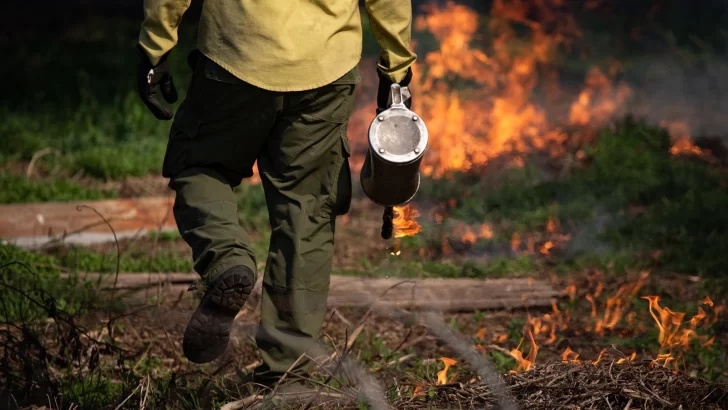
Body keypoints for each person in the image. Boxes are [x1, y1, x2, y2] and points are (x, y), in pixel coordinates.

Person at [136, 0, 417, 389]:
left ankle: (227, 256)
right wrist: (397, 69)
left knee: (199, 167)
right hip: (325, 65)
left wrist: (156, 45)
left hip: (236, 54)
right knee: (307, 213)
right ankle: (288, 375)